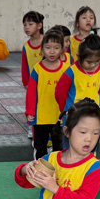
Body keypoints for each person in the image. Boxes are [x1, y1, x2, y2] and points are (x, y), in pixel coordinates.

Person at [26, 30, 72, 160]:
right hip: (41, 117)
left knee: (59, 147)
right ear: (42, 49)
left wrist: (70, 110)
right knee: (40, 146)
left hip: (59, 116)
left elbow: (71, 91)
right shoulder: (37, 69)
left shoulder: (66, 69)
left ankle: (58, 167)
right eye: (48, 47)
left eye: (56, 48)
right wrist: (30, 111)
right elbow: (31, 92)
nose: (52, 51)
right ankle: (39, 167)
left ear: (62, 50)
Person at [56, 33, 100, 115]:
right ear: (78, 56)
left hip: (94, 110)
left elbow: (98, 89)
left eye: (97, 61)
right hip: (75, 113)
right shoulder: (71, 71)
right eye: (89, 62)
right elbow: (60, 92)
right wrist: (64, 109)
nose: (93, 65)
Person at [20, 10, 45, 88]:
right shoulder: (26, 46)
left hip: (48, 81)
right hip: (34, 82)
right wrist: (26, 83)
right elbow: (24, 66)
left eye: (30, 24)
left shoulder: (47, 42)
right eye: (25, 25)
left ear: (39, 26)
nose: (27, 27)